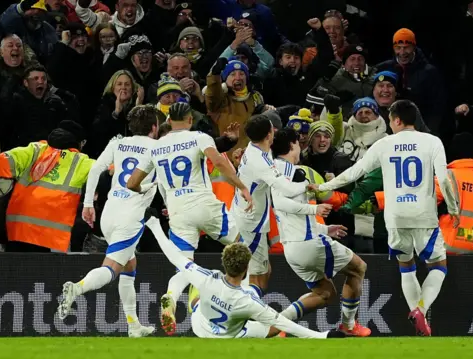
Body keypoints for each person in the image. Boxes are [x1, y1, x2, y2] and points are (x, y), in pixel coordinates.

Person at [309, 100, 460, 336]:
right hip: (424, 215)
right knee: (438, 266)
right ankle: (420, 310)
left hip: (395, 215)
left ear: (398, 120)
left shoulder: (384, 144)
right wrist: (453, 208)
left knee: (406, 267)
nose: (389, 124)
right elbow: (445, 178)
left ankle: (420, 322)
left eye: (390, 120)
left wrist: (324, 186)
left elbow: (355, 172)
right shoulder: (433, 142)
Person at [126, 102, 253, 336]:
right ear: (190, 120)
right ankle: (243, 305)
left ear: (168, 121)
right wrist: (242, 187)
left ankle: (171, 298)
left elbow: (131, 183)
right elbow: (220, 162)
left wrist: (147, 189)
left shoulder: (155, 147)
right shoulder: (198, 137)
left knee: (184, 265)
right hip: (204, 204)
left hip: (178, 212)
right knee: (244, 248)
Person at [57, 105, 164, 337]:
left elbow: (95, 170)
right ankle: (76, 288)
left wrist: (87, 204)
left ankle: (134, 326)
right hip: (131, 216)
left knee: (129, 266)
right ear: (154, 127)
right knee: (112, 268)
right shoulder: (158, 148)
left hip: (109, 213)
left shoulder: (117, 143)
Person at [148, 217, 345, 339]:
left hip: (200, 326)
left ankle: (172, 298)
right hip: (230, 335)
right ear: (245, 269)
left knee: (194, 291)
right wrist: (323, 336)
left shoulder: (207, 279)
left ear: (224, 262)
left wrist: (154, 225)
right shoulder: (248, 302)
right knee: (272, 328)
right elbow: (285, 325)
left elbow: (174, 256)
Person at [270, 128, 370, 337]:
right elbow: (282, 204)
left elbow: (292, 217)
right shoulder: (290, 171)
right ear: (291, 146)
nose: (300, 148)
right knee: (358, 268)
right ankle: (349, 326)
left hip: (292, 249)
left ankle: (278, 326)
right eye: (297, 144)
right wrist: (314, 209)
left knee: (324, 293)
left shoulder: (274, 170)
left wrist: (325, 228)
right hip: (308, 244)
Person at [0, 121, 95, 252]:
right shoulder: (81, 161)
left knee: (15, 271)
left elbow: (0, 163)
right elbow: (109, 171)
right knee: (40, 272)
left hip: (19, 228)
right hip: (50, 235)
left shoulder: (35, 149)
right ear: (79, 142)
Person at [231, 114, 309, 300]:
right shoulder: (262, 162)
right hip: (252, 222)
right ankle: (243, 314)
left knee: (261, 271)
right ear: (268, 135)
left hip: (244, 214)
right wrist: (307, 185)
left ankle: (241, 309)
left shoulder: (253, 148)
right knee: (258, 278)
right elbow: (285, 189)